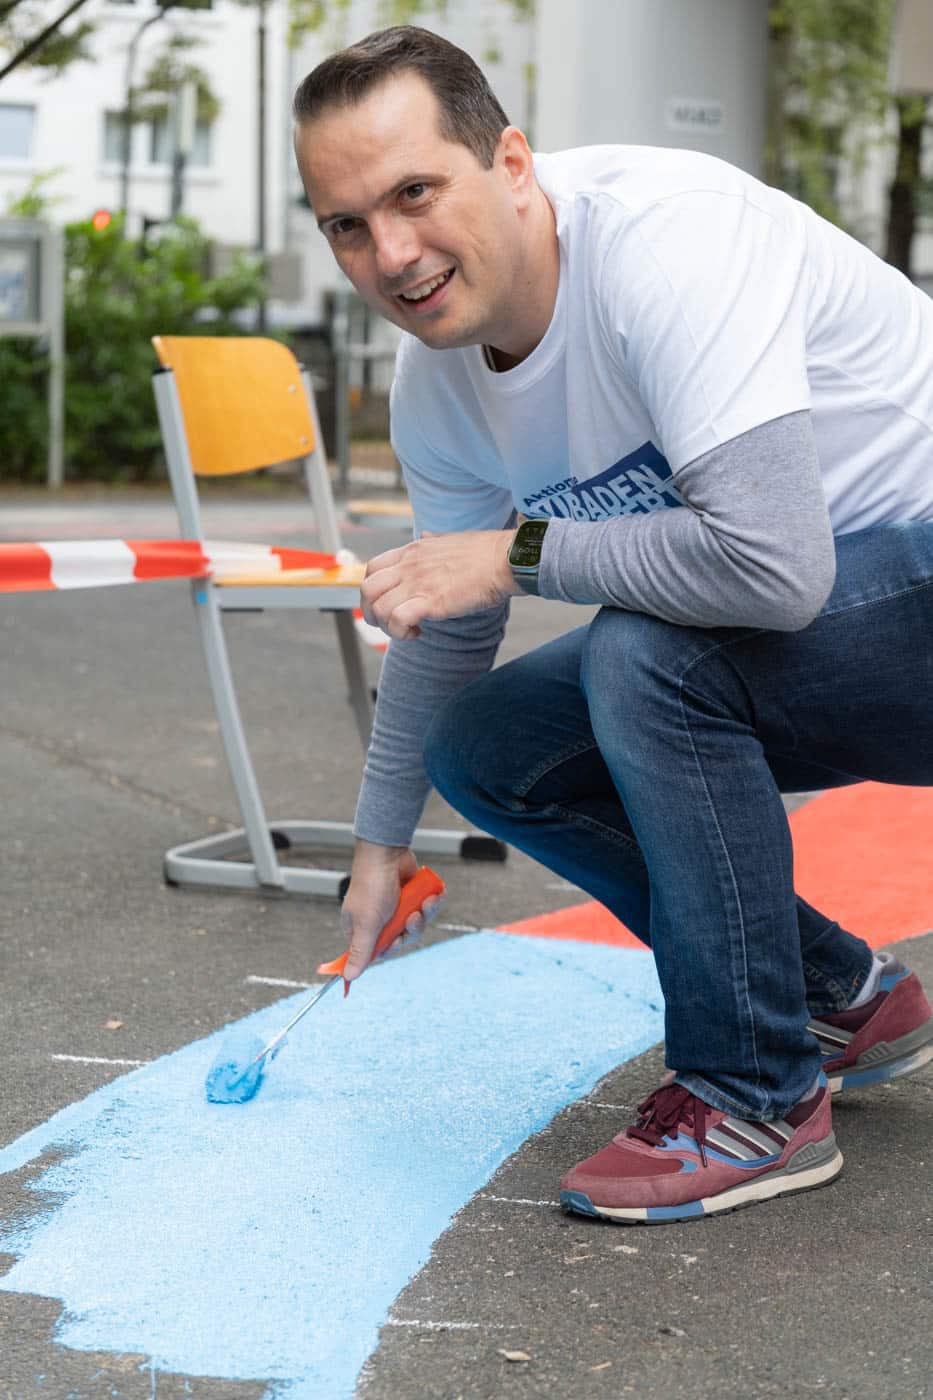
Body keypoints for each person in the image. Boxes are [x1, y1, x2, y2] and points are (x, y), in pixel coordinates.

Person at [292, 25, 933, 1224]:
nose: (391, 253)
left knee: (652, 654)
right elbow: (445, 617)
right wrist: (380, 847)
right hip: (831, 642)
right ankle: (834, 992)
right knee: (490, 744)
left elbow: (773, 569)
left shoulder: (666, 248)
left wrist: (517, 551)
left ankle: (753, 1091)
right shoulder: (439, 379)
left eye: (415, 192)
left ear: (512, 162)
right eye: (347, 223)